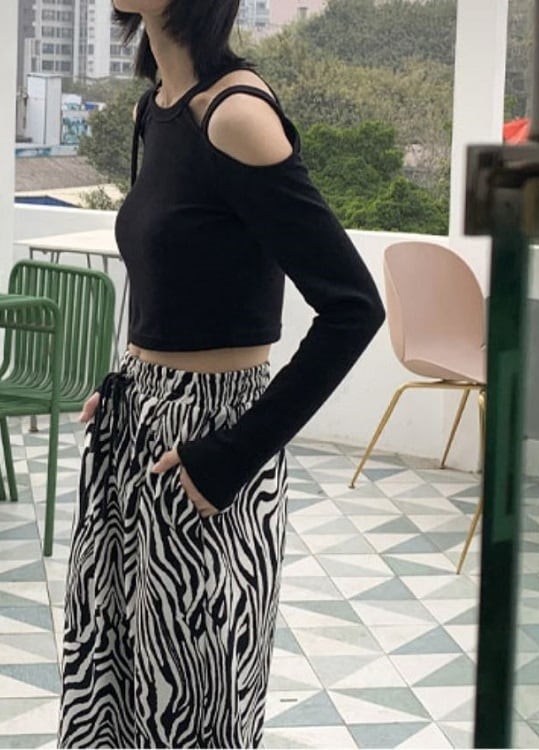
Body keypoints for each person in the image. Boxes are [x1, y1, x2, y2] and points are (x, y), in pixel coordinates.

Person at [58, 1, 385, 747]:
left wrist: (234, 455)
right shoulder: (154, 110)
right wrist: (124, 379)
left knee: (193, 698)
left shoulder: (236, 116)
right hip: (134, 431)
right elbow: (177, 279)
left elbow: (354, 307)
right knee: (111, 680)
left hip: (209, 439)